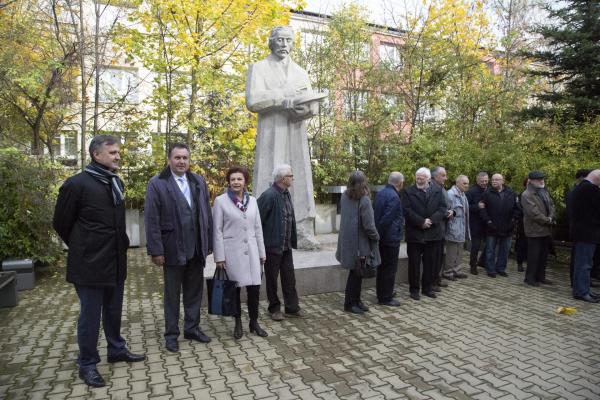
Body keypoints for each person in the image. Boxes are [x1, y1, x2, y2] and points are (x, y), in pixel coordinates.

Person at [53, 135, 145, 388]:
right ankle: (87, 363)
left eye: (118, 152)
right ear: (97, 155)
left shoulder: (115, 182)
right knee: (90, 317)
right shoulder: (76, 185)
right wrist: (84, 245)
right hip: (89, 264)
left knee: (114, 311)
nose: (118, 156)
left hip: (115, 261)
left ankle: (116, 349)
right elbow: (61, 223)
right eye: (113, 152)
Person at [246, 26, 321, 248]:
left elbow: (311, 103)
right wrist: (281, 98)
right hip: (272, 130)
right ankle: (264, 228)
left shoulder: (300, 71)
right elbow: (253, 100)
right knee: (270, 173)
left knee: (299, 176)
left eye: (288, 40)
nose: (283, 44)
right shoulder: (259, 68)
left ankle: (302, 229)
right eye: (279, 40)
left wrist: (307, 108)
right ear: (271, 42)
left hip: (295, 129)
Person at [144, 143, 213, 353]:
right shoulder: (157, 184)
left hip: (196, 249)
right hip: (172, 248)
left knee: (194, 292)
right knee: (172, 294)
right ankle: (171, 334)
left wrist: (208, 242)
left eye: (185, 158)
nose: (181, 161)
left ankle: (192, 328)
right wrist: (156, 250)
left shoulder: (198, 181)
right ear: (169, 160)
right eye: (177, 158)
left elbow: (206, 214)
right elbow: (151, 219)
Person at [212, 166, 268, 339]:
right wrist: (219, 257)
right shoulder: (221, 201)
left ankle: (254, 322)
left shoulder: (252, 201)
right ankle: (237, 323)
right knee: (234, 290)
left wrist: (261, 251)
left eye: (240, 179)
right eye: (233, 179)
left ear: (245, 182)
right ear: (229, 182)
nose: (236, 182)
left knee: (254, 290)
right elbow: (217, 230)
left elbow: (258, 228)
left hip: (251, 252)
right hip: (232, 253)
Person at [257, 164, 306, 320]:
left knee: (289, 278)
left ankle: (292, 308)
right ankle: (274, 309)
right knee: (272, 279)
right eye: (291, 176)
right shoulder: (269, 195)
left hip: (285, 247)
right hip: (272, 246)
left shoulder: (286, 194)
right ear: (284, 178)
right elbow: (257, 220)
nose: (292, 178)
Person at [336, 171, 381, 314]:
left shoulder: (344, 197)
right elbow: (369, 225)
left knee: (356, 273)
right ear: (364, 183)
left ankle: (356, 300)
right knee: (355, 274)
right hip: (359, 245)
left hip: (348, 242)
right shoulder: (364, 200)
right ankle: (350, 303)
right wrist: (376, 237)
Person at [402, 167, 447, 300]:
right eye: (417, 176)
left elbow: (442, 208)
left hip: (433, 233)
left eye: (422, 176)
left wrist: (431, 221)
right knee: (414, 264)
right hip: (415, 233)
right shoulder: (408, 191)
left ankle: (427, 288)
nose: (419, 178)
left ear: (428, 178)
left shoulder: (438, 191)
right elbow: (406, 210)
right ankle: (414, 289)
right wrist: (421, 221)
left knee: (430, 263)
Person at [479, 173, 520, 278]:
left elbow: (517, 209)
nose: (494, 181)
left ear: (503, 181)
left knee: (505, 250)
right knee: (490, 249)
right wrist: (488, 221)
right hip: (491, 227)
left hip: (507, 227)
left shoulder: (511, 193)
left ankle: (501, 268)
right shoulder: (487, 193)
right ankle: (491, 269)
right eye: (492, 180)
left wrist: (513, 221)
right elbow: (482, 209)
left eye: (497, 179)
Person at [373, 172, 404, 306]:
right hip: (390, 238)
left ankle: (382, 292)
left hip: (382, 237)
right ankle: (385, 297)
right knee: (390, 269)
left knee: (382, 267)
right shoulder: (394, 197)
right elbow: (387, 219)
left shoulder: (380, 193)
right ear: (400, 183)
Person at [521, 171, 555, 287]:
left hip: (545, 229)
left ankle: (541, 277)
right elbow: (533, 213)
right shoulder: (526, 195)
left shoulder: (544, 191)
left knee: (543, 255)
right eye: (538, 179)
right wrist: (547, 220)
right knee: (533, 256)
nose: (542, 181)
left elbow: (552, 205)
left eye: (542, 178)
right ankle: (530, 278)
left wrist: (551, 217)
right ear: (531, 181)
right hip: (534, 230)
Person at [570, 169, 600, 303]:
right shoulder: (590, 190)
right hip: (587, 232)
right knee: (584, 264)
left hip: (582, 232)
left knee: (583, 263)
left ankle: (583, 289)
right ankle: (581, 291)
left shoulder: (581, 187)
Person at [566, 169, 592, 286]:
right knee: (578, 258)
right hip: (580, 230)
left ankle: (579, 282)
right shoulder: (575, 192)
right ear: (582, 178)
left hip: (581, 229)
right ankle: (576, 282)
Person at [443, 175, 470, 280]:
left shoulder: (463, 194)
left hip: (461, 228)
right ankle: (448, 272)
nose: (467, 185)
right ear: (457, 183)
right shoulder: (450, 194)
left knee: (459, 251)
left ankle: (457, 270)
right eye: (465, 183)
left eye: (468, 183)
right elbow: (445, 211)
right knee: (451, 252)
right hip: (453, 228)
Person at [431, 166, 451, 290]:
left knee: (439, 256)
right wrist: (445, 213)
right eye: (443, 175)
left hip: (442, 228)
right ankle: (432, 281)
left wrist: (451, 212)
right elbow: (433, 208)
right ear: (435, 176)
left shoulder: (441, 187)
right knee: (434, 257)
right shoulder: (432, 188)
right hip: (435, 228)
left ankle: (436, 278)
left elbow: (444, 205)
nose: (446, 178)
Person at [466, 171, 489, 275]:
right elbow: (466, 207)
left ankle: (482, 262)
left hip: (487, 223)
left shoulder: (489, 190)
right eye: (482, 181)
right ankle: (473, 266)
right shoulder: (471, 191)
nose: (484, 183)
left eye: (486, 181)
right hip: (475, 223)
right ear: (477, 180)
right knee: (475, 246)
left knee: (489, 244)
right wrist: (477, 207)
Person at [514, 178, 529, 272]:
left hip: (533, 225)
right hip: (523, 225)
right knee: (521, 244)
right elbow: (518, 209)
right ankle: (520, 263)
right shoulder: (521, 195)